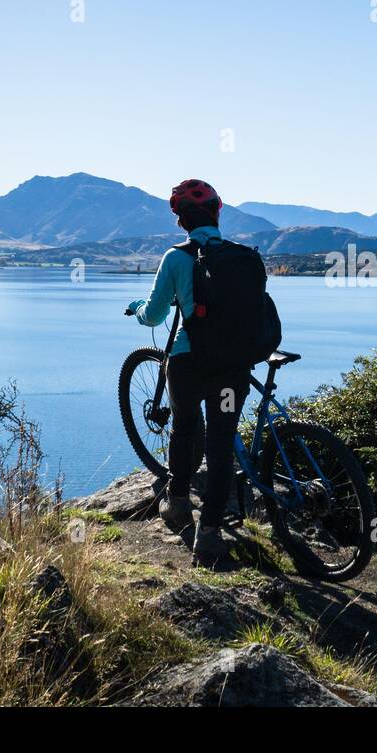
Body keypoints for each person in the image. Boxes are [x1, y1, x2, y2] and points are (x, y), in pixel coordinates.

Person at [126, 179, 249, 567]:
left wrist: (137, 308)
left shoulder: (176, 258)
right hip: (233, 365)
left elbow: (157, 313)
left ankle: (177, 505)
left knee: (183, 426)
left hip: (188, 359)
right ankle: (209, 536)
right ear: (217, 212)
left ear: (181, 222)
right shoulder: (243, 256)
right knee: (221, 445)